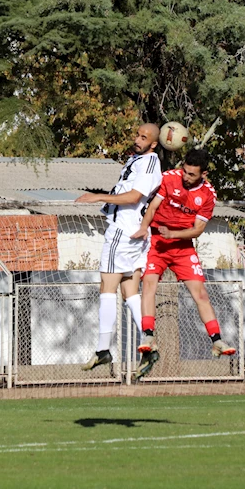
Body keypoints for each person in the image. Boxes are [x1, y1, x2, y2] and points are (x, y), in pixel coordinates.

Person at [131, 148, 236, 379]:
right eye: (185, 172)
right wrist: (144, 228)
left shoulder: (208, 195)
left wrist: (174, 235)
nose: (186, 177)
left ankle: (217, 341)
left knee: (200, 294)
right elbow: (153, 207)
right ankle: (148, 335)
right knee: (148, 286)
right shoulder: (169, 178)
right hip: (157, 241)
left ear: (203, 174)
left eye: (192, 175)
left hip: (182, 245)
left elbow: (198, 230)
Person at [75, 123, 163, 371]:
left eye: (143, 137)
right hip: (133, 233)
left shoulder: (148, 162)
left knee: (107, 287)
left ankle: (103, 349)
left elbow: (134, 197)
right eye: (137, 134)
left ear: (154, 144)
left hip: (122, 233)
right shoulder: (139, 159)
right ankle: (149, 342)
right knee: (130, 291)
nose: (137, 139)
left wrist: (99, 196)